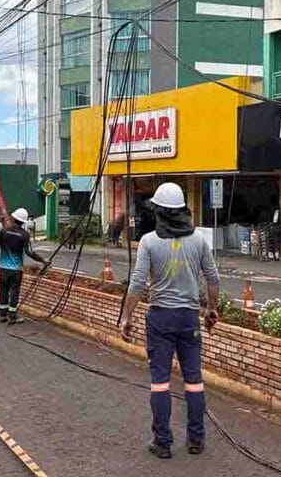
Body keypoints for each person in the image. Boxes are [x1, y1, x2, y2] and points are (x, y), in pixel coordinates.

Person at [119, 182, 220, 460]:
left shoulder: (149, 242)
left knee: (160, 382)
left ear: (160, 213)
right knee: (194, 381)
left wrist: (126, 316)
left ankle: (162, 442)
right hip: (189, 319)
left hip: (160, 319)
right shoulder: (198, 240)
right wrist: (211, 309)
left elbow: (137, 283)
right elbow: (213, 279)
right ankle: (196, 440)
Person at [0, 208, 47, 324]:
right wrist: (43, 261)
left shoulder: (4, 231)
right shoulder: (24, 235)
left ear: (14, 218)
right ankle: (13, 315)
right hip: (16, 270)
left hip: (3, 268)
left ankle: (3, 315)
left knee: (3, 290)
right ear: (23, 221)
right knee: (14, 291)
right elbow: (29, 252)